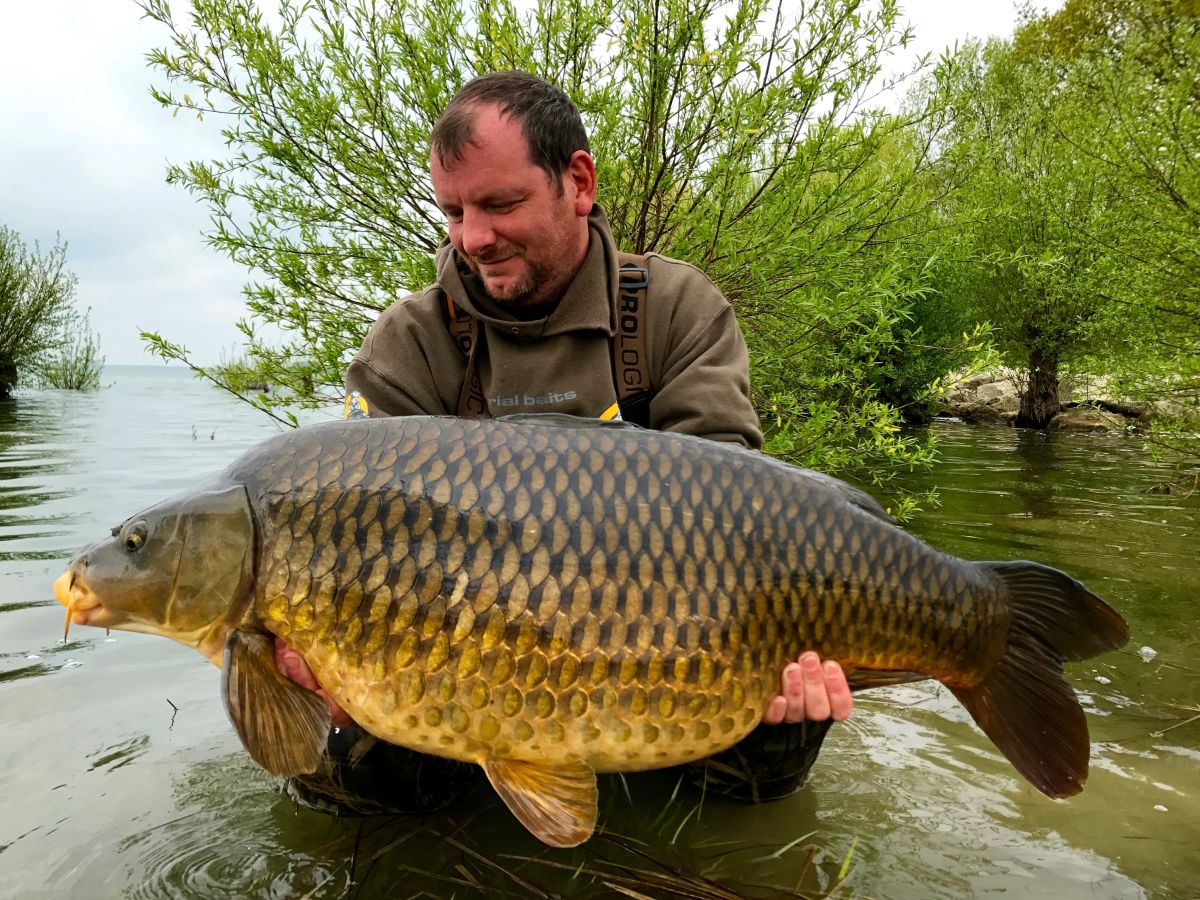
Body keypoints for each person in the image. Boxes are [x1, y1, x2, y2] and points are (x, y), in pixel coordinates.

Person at [277, 70, 852, 815]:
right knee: (336, 772)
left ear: (577, 181)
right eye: (453, 211)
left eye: (500, 203)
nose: (472, 237)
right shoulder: (413, 343)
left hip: (674, 651)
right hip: (473, 658)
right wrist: (334, 665)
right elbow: (352, 539)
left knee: (779, 732)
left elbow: (737, 515)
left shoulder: (674, 311)